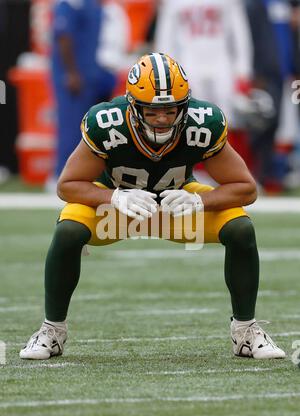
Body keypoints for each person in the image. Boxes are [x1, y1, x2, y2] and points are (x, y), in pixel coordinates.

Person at [20, 53, 285, 360]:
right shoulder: (107, 123)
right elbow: (67, 185)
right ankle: (52, 330)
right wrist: (114, 197)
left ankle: (246, 331)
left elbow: (246, 188)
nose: (162, 119)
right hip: (117, 210)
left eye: (170, 110)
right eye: (153, 111)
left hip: (176, 204)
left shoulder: (203, 123)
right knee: (68, 231)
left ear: (184, 107)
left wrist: (201, 200)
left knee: (240, 227)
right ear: (133, 107)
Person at [51, 0, 118, 180]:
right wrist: (71, 72)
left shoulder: (95, 6)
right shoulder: (71, 4)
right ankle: (62, 174)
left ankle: (91, 174)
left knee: (92, 127)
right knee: (71, 127)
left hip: (91, 73)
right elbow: (64, 37)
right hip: (75, 75)